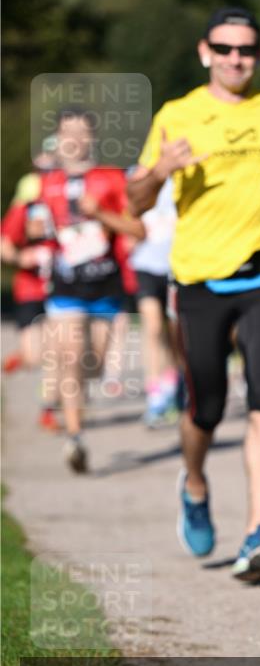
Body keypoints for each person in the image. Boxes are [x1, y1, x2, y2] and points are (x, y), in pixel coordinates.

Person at [127, 6, 260, 583]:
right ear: (205, 52)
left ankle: (259, 531)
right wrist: (161, 170)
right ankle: (195, 483)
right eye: (225, 48)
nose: (236, 58)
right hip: (200, 281)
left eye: (246, 49)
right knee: (205, 407)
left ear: (258, 55)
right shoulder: (176, 114)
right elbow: (134, 202)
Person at [27, 108, 145, 472]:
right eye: (68, 133)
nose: (74, 140)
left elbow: (138, 230)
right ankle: (75, 437)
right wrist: (37, 229)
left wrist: (100, 215)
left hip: (106, 287)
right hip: (64, 286)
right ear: (58, 139)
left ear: (92, 137)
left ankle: (76, 404)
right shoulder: (46, 182)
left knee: (91, 365)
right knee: (70, 356)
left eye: (81, 132)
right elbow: (32, 227)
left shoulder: (111, 178)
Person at [1, 140, 59, 429]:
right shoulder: (27, 205)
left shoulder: (76, 203)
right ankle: (23, 357)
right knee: (37, 355)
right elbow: (4, 245)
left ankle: (47, 410)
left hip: (64, 289)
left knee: (56, 353)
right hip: (31, 288)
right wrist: (22, 258)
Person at [129, 174, 179, 427]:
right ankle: (154, 394)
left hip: (178, 267)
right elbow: (126, 212)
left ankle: (172, 385)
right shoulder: (136, 175)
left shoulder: (184, 175)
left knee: (174, 333)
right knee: (153, 327)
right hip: (146, 266)